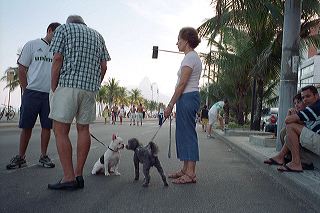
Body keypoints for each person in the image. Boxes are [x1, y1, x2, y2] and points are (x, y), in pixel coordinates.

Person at [48, 15, 110, 190]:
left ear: (69, 22)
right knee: (83, 129)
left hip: (67, 86)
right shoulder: (98, 35)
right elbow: (104, 66)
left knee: (60, 130)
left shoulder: (64, 29)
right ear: (84, 23)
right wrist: (95, 83)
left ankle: (68, 177)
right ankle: (78, 174)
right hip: (89, 89)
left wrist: (54, 86)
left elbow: (57, 58)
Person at [6, 22, 61, 170]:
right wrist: (26, 90)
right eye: (56, 34)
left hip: (49, 94)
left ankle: (43, 156)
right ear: (49, 30)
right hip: (32, 93)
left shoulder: (58, 50)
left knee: (46, 127)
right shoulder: (32, 45)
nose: (58, 38)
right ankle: (21, 157)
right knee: (27, 126)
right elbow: (22, 68)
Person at [164, 27, 201, 184]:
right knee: (183, 134)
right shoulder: (190, 57)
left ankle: (191, 173)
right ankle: (185, 169)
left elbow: (182, 84)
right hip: (186, 98)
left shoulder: (190, 58)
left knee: (188, 134)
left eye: (179, 39)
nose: (177, 42)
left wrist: (170, 104)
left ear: (186, 40)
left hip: (187, 97)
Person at [266, 85, 320, 172]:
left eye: (308, 96)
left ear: (316, 96)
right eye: (303, 97)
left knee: (291, 127)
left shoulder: (316, 107)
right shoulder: (311, 109)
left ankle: (295, 163)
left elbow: (288, 121)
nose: (305, 99)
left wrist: (290, 113)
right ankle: (282, 157)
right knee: (287, 132)